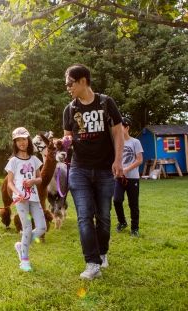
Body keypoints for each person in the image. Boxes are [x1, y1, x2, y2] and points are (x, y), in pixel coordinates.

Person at [62, 64, 124, 280]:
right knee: (84, 216)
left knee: (104, 218)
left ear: (82, 81)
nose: (68, 87)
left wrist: (118, 161)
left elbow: (117, 133)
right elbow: (68, 138)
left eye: (70, 83)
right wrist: (64, 143)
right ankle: (92, 263)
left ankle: (102, 252)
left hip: (105, 169)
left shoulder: (106, 103)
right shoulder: (70, 109)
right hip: (79, 169)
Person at [5, 127, 47, 272]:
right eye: (18, 140)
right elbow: (9, 182)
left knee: (42, 227)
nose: (21, 142)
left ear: (28, 140)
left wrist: (33, 182)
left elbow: (40, 179)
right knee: (27, 228)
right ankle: (24, 260)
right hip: (20, 199)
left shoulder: (35, 159)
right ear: (15, 143)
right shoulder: (13, 161)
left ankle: (21, 246)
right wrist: (17, 193)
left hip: (34, 197)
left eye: (24, 139)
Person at [113, 117, 143, 237]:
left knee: (133, 204)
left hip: (132, 178)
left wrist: (126, 169)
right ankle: (122, 222)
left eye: (121, 127)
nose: (119, 130)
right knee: (116, 200)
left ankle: (134, 228)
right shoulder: (116, 142)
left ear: (127, 128)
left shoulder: (135, 142)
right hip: (118, 178)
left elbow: (139, 160)